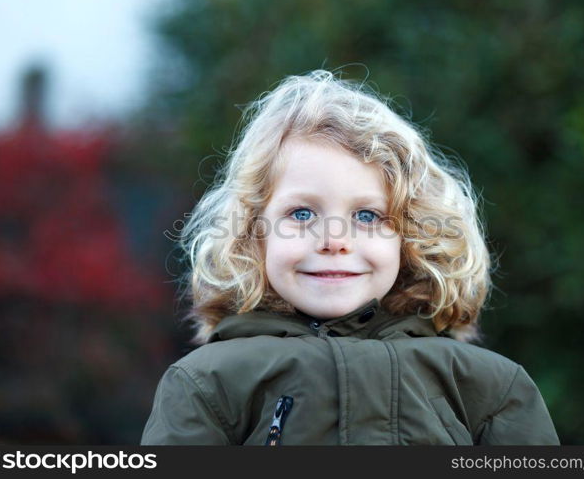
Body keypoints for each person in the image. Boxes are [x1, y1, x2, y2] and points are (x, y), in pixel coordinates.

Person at [140, 70, 560, 445]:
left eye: (367, 215)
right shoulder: (207, 384)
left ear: (411, 235)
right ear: (253, 234)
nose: (334, 240)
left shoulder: (488, 387)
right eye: (301, 213)